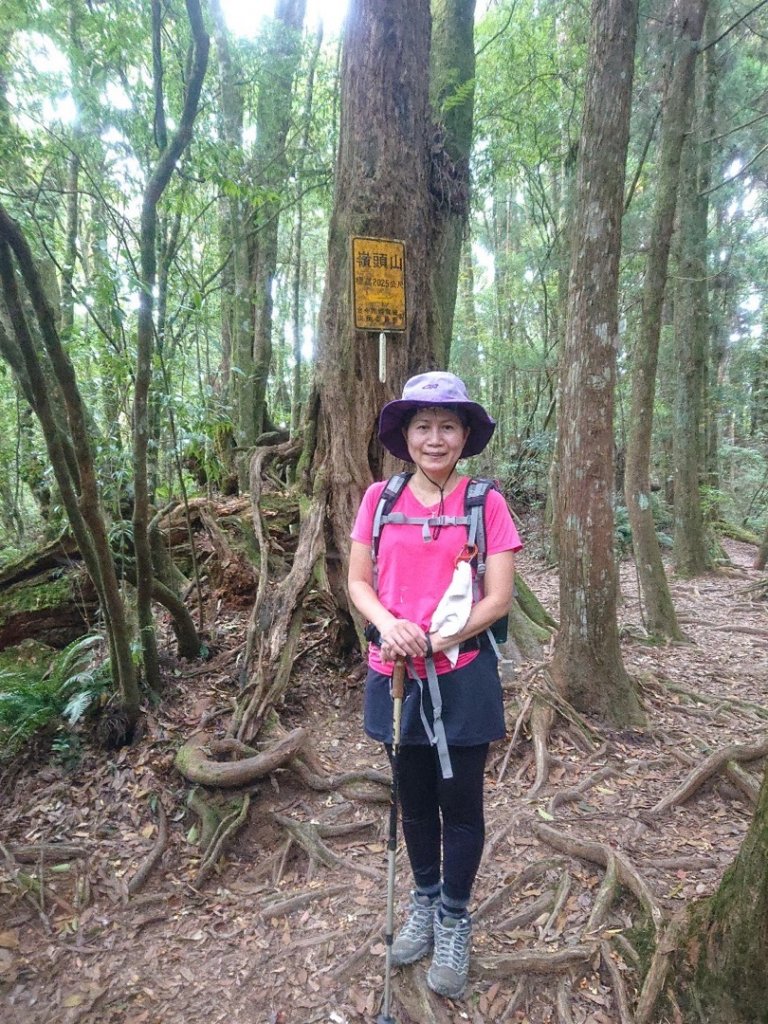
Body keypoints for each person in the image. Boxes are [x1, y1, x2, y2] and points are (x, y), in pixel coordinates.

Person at [348, 370, 522, 999]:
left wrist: (441, 637)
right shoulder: (379, 498)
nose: (435, 437)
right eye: (423, 425)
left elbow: (498, 598)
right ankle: (422, 901)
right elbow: (358, 583)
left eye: (448, 425)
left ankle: (454, 916)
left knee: (461, 802)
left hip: (463, 675)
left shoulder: (486, 503)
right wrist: (391, 625)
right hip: (391, 674)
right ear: (405, 435)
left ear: (466, 434)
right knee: (413, 798)